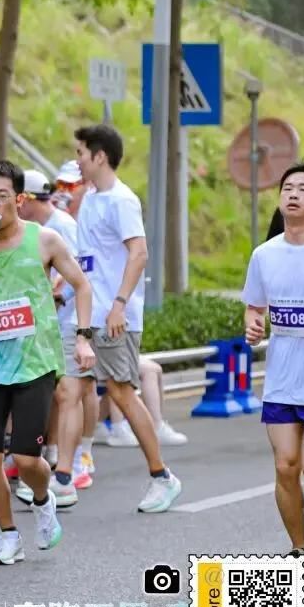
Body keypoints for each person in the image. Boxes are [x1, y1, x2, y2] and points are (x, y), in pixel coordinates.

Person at [0, 160, 95, 564]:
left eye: (1, 196)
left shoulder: (44, 239)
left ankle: (43, 499)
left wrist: (83, 337)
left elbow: (81, 285)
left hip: (35, 362)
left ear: (19, 200)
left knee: (26, 459)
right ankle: (8, 534)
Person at [73, 124, 182, 513]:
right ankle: (63, 475)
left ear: (99, 156)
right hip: (87, 313)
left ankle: (162, 476)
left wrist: (118, 305)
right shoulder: (90, 198)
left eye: (81, 153)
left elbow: (139, 253)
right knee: (70, 388)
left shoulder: (122, 200)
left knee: (120, 392)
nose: (77, 160)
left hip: (113, 315)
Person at [242, 161, 304, 578]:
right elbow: (254, 306)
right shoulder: (265, 255)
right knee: (285, 467)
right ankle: (300, 550)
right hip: (281, 377)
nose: (293, 194)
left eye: (303, 188)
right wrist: (253, 323)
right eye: (287, 188)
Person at [13, 170, 95, 508]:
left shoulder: (62, 227)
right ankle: (57, 461)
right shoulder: (33, 228)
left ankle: (72, 467)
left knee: (71, 392)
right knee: (59, 391)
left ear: (28, 199)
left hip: (71, 319)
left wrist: (59, 297)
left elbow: (79, 275)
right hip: (47, 322)